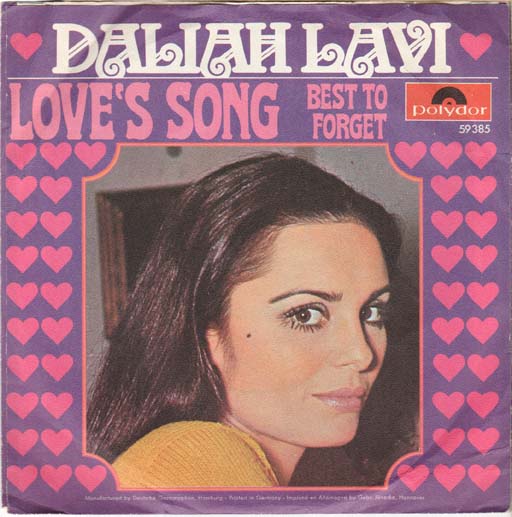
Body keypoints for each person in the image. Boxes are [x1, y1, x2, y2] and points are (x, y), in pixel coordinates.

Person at [87, 153, 418, 487]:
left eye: (373, 312)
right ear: (207, 332)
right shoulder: (195, 458)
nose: (362, 355)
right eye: (306, 315)